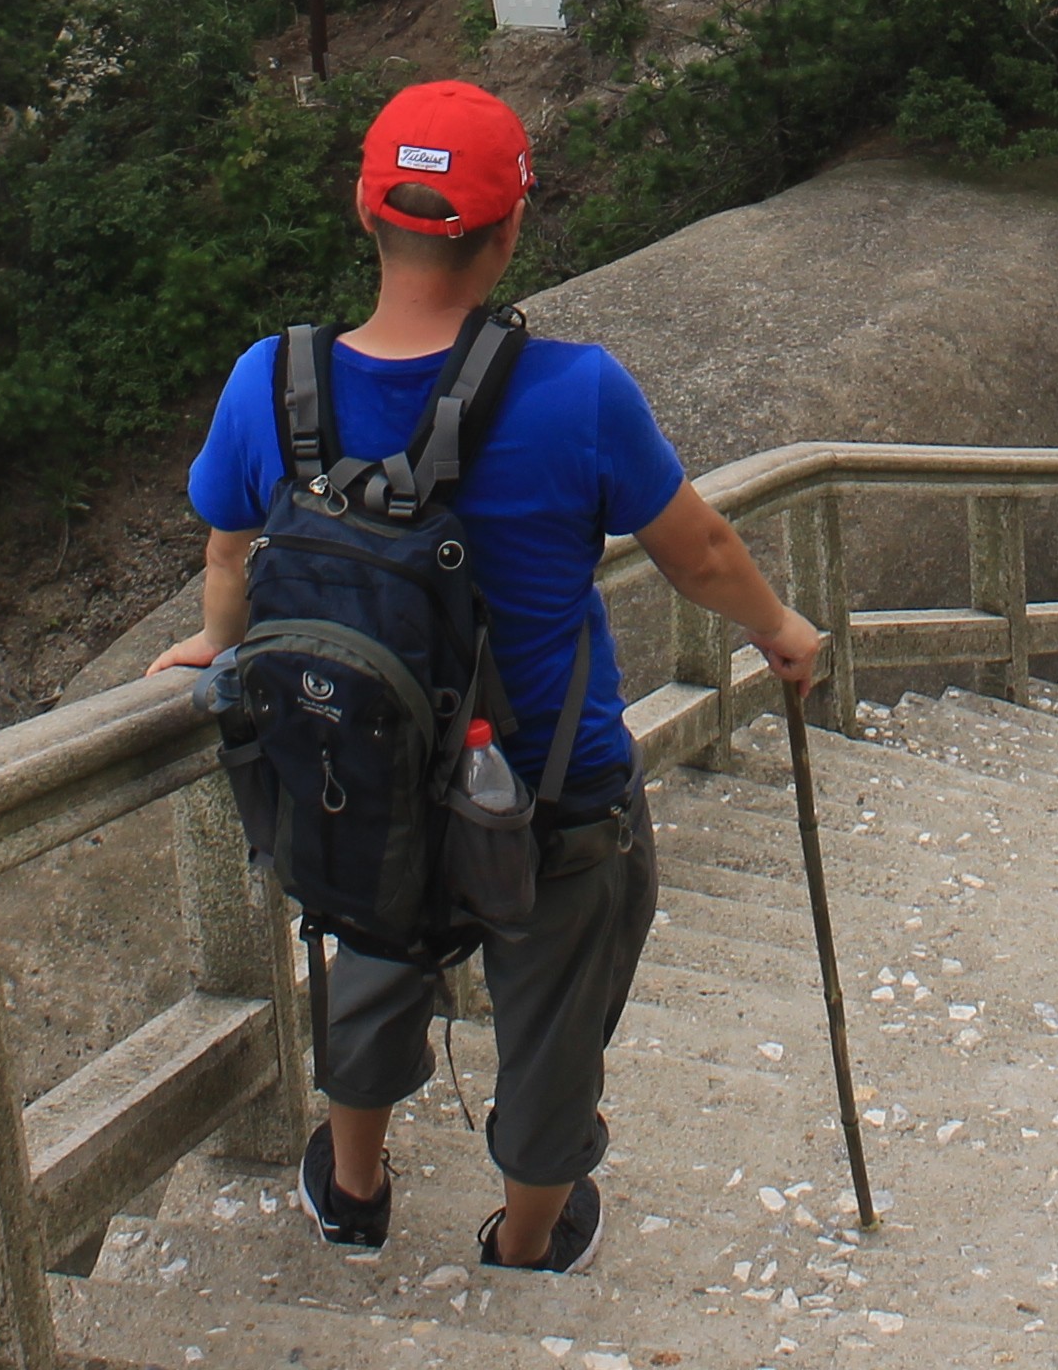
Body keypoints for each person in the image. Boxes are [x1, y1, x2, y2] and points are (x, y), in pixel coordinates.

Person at [159, 80, 826, 1276]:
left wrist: (219, 645)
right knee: (554, 1022)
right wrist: (780, 629)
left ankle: (354, 1189)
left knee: (369, 950)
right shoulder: (575, 394)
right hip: (550, 801)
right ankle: (526, 1239)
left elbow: (226, 551)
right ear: (511, 231)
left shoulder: (270, 381)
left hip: (359, 783)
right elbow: (701, 554)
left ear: (367, 210)